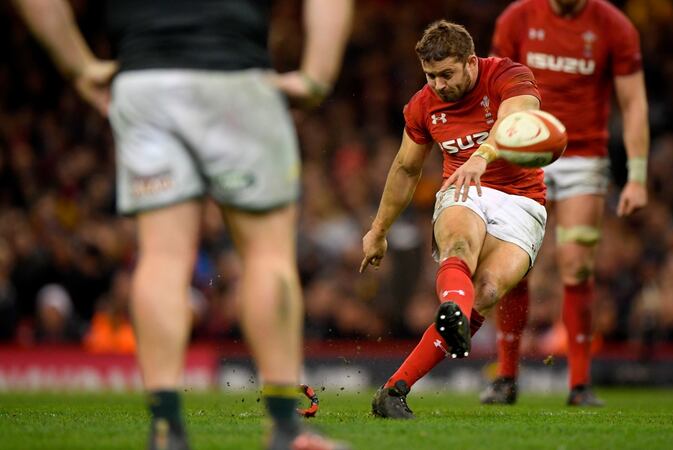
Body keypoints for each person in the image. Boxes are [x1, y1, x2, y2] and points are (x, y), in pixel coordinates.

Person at [12, 0, 353, 449]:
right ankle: (288, 429)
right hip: (236, 73)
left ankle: (166, 430)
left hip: (146, 79)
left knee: (162, 256)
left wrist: (78, 63)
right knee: (267, 254)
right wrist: (318, 73)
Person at [361, 20, 547, 419]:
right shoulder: (423, 104)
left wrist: (483, 155)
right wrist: (378, 231)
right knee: (459, 245)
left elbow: (517, 118)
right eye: (430, 76)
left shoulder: (508, 75)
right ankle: (398, 388)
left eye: (447, 74)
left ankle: (396, 384)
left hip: (522, 200)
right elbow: (406, 169)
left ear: (470, 62)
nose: (439, 85)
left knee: (489, 290)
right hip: (464, 191)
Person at [481, 0, 649, 407]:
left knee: (577, 265)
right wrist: (489, 151)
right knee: (514, 263)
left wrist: (638, 177)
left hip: (583, 158)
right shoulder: (516, 19)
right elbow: (494, 91)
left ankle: (579, 383)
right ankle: (506, 376)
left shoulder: (614, 26)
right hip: (521, 153)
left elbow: (634, 102)